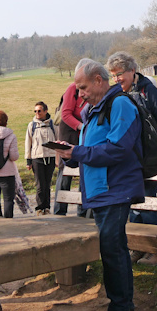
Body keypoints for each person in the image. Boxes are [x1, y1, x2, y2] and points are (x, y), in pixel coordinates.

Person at [58, 59, 145, 311]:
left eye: (82, 87)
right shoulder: (95, 109)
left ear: (98, 80)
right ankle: (117, 310)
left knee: (114, 251)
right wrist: (72, 153)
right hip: (100, 192)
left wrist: (78, 153)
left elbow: (118, 149)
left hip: (114, 190)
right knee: (110, 251)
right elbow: (93, 149)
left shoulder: (120, 104)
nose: (79, 93)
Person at [107, 51, 157, 263]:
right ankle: (137, 248)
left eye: (120, 74)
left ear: (132, 71)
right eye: (113, 75)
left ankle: (154, 251)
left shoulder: (149, 91)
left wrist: (156, 145)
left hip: (145, 159)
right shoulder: (117, 95)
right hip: (126, 159)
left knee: (147, 202)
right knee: (131, 205)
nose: (117, 79)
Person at [52, 81, 88, 216]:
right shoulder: (73, 88)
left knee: (84, 171)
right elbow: (65, 114)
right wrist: (82, 127)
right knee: (65, 173)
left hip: (83, 135)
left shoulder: (91, 89)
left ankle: (83, 212)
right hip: (69, 133)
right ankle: (59, 212)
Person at [24, 102, 57, 215]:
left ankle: (46, 207)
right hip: (37, 158)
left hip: (50, 157)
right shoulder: (31, 125)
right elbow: (28, 143)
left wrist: (58, 158)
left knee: (47, 184)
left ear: (45, 111)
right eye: (35, 111)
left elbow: (58, 142)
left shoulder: (53, 125)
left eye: (39, 111)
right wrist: (28, 160)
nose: (37, 113)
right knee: (40, 185)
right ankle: (39, 207)